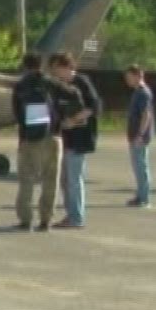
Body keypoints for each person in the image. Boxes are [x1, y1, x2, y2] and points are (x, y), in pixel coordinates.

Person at [10, 51, 69, 231]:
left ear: (25, 66)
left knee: (26, 180)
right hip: (52, 136)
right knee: (50, 179)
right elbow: (72, 97)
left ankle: (25, 219)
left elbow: (18, 114)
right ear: (41, 65)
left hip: (29, 138)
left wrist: (24, 135)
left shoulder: (20, 86)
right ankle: (46, 220)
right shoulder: (51, 83)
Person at [53, 52, 100, 228]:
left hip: (80, 138)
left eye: (58, 68)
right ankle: (70, 213)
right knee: (65, 179)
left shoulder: (82, 82)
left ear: (67, 67)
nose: (56, 72)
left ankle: (77, 217)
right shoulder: (61, 85)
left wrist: (73, 121)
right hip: (66, 138)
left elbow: (93, 107)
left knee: (74, 179)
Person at [124, 65, 155, 208]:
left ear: (138, 76)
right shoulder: (138, 92)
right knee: (138, 167)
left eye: (129, 77)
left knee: (141, 166)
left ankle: (144, 198)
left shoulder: (143, 93)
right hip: (136, 135)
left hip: (140, 136)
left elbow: (146, 114)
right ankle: (140, 195)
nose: (127, 81)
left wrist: (140, 134)